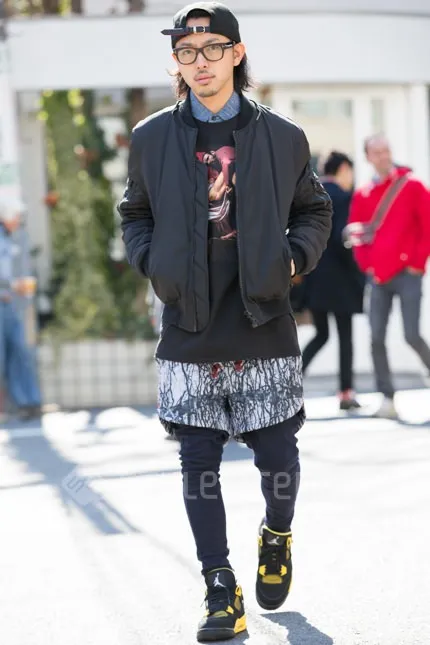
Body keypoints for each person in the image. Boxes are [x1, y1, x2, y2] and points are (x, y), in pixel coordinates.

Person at [118, 2, 332, 641]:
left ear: (237, 54)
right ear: (177, 62)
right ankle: (219, 586)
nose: (200, 62)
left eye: (212, 49)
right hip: (189, 322)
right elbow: (135, 213)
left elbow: (314, 210)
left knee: (278, 457)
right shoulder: (152, 137)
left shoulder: (282, 136)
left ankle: (277, 533)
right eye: (187, 52)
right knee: (197, 462)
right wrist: (154, 263)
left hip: (262, 316)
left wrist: (290, 260)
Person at [346, 134, 430, 419]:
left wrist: (417, 263)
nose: (383, 156)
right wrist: (367, 265)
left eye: (386, 150)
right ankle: (387, 398)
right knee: (376, 338)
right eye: (377, 152)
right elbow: (356, 233)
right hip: (378, 277)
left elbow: (427, 225)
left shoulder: (413, 186)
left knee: (412, 335)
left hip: (408, 274)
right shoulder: (363, 193)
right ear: (368, 157)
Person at [302, 152, 365, 411]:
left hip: (314, 277)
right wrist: (359, 270)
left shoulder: (312, 194)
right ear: (344, 168)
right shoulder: (343, 197)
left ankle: (291, 381)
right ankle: (346, 393)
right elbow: (343, 238)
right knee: (345, 337)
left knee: (321, 334)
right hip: (341, 280)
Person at [0, 206, 42, 420]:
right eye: (16, 217)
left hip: (10, 305)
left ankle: (28, 402)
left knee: (19, 353)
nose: (18, 221)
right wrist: (10, 286)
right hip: (5, 301)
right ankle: (20, 403)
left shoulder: (13, 237)